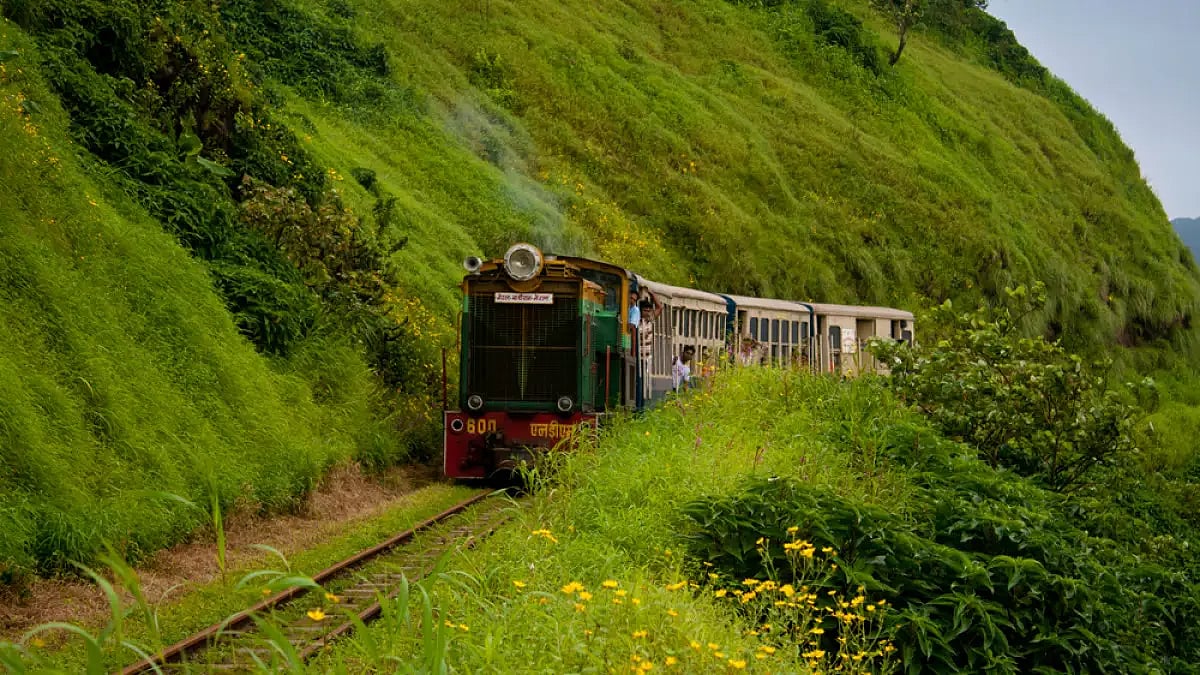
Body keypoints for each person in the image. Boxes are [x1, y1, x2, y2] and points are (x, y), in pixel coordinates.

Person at [637, 292, 663, 402]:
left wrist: (651, 293)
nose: (647, 313)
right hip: (637, 356)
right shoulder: (637, 322)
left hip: (646, 358)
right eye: (645, 311)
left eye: (649, 311)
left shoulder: (650, 320)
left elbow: (660, 307)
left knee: (644, 380)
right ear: (640, 311)